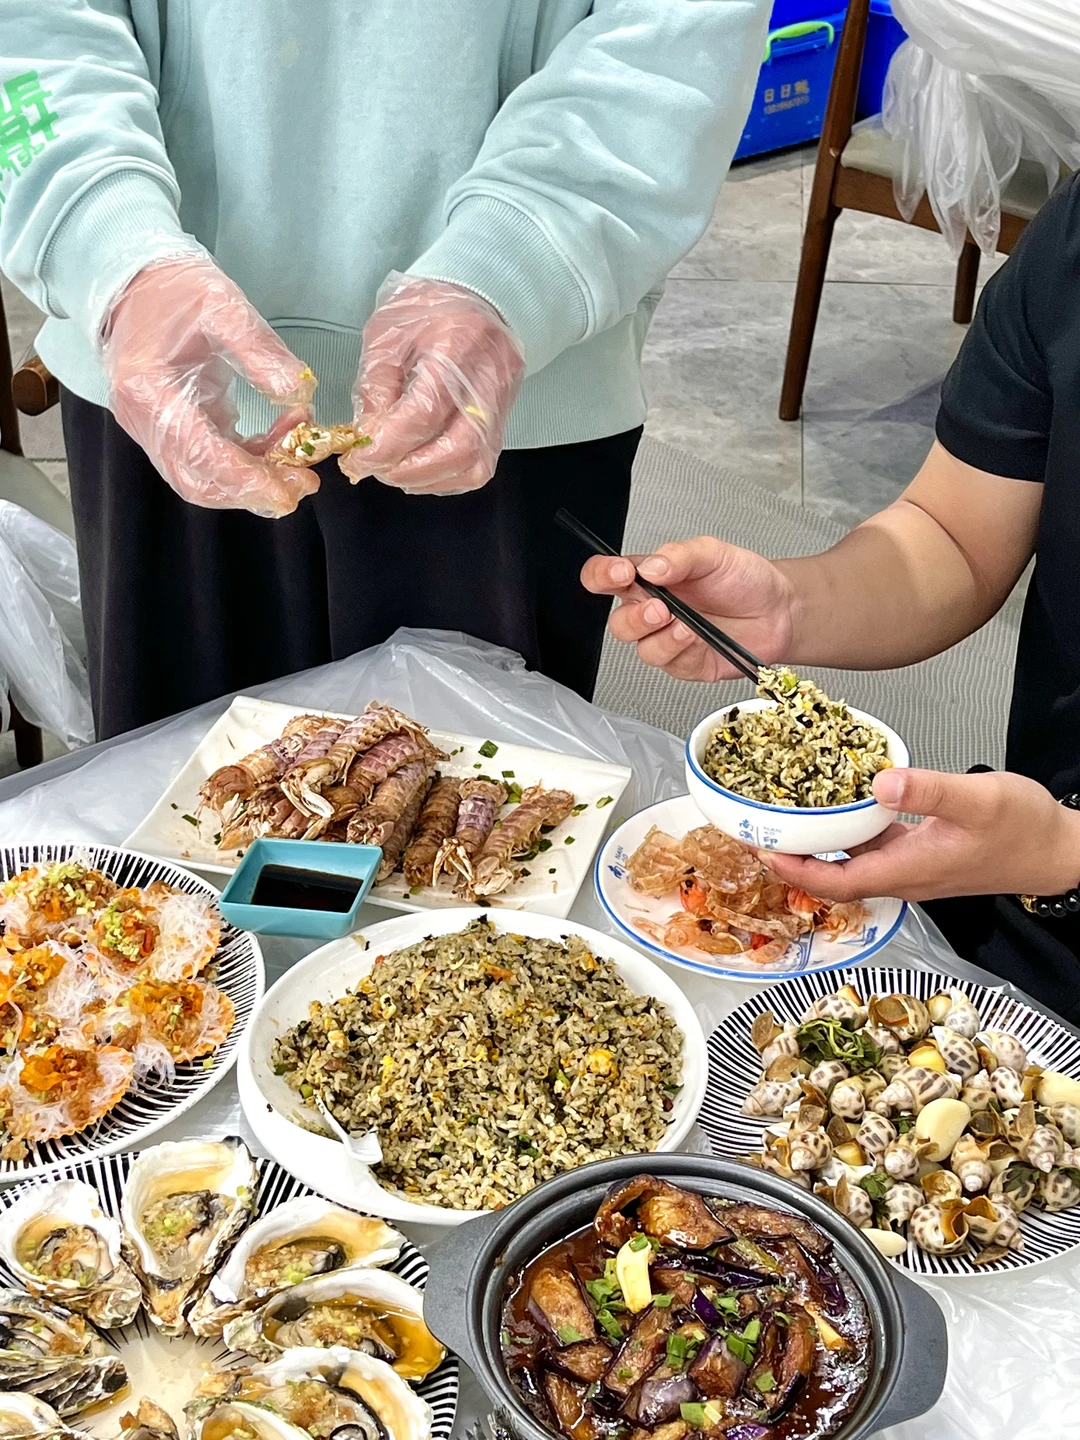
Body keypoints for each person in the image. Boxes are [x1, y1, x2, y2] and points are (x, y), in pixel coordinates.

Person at [0, 0, 771, 740]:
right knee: (166, 812)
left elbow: (671, 38)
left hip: (509, 392)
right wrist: (106, 238)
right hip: (160, 360)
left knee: (491, 810)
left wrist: (512, 264)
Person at [584, 170, 1080, 1023]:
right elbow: (956, 536)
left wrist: (1063, 851)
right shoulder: (1069, 245)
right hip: (1027, 874)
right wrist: (791, 605)